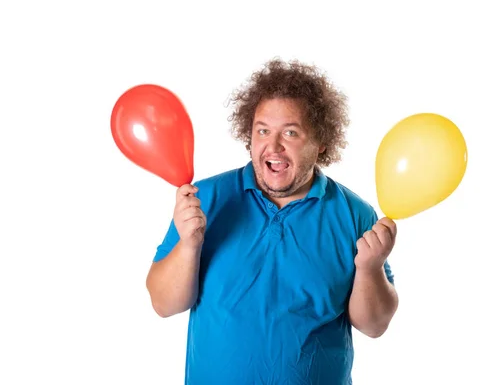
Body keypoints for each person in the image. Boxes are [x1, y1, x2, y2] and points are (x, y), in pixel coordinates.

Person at [146, 58, 399, 384]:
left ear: (320, 142)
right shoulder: (204, 198)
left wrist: (369, 268)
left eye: (290, 132)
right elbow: (163, 305)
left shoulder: (356, 214)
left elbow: (374, 325)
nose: (273, 146)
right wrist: (189, 245)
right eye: (263, 130)